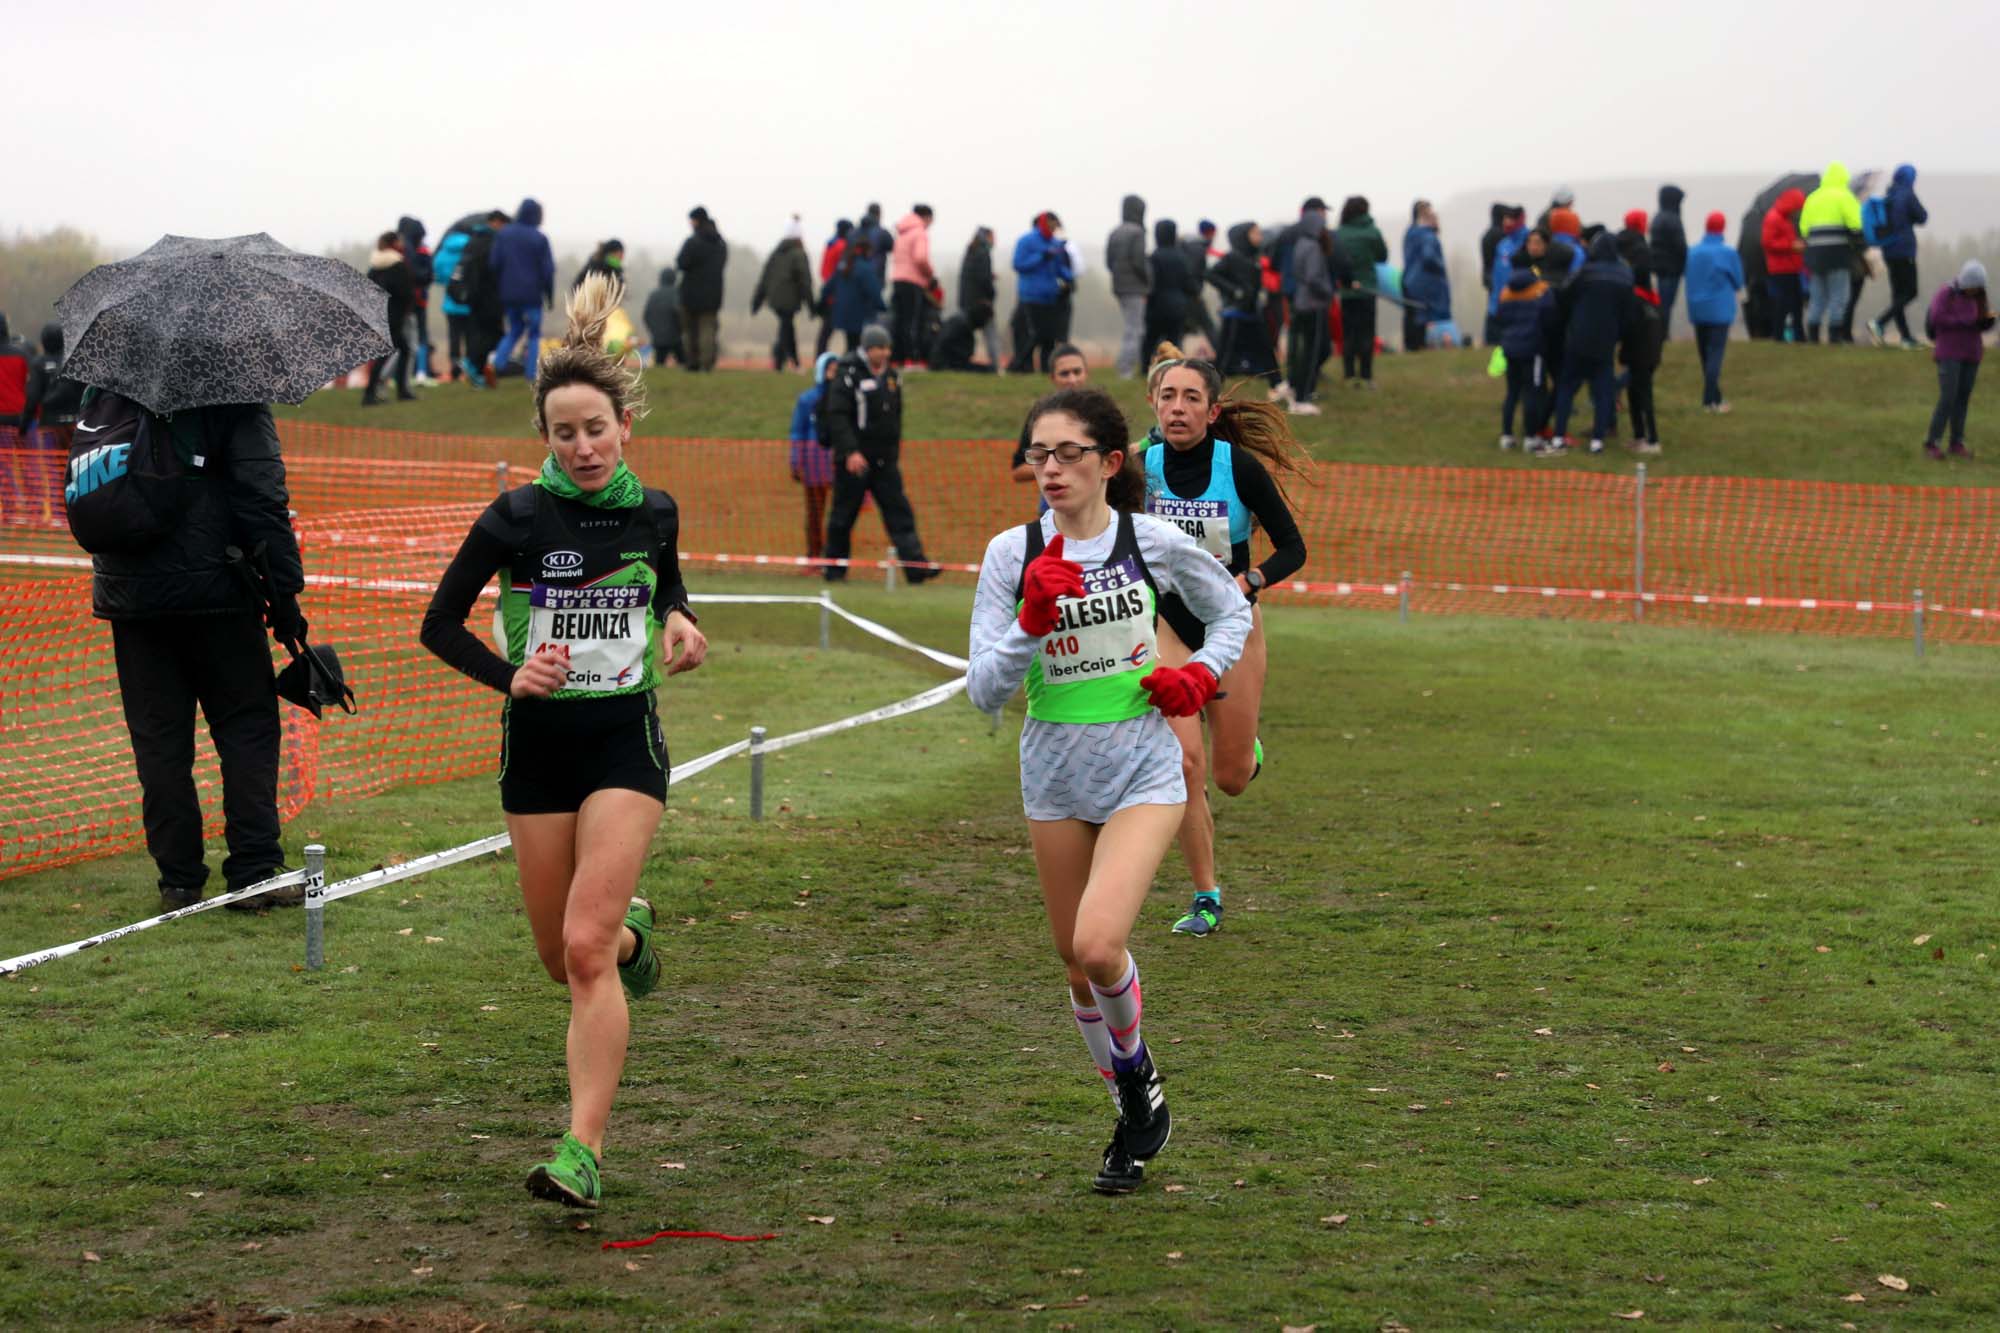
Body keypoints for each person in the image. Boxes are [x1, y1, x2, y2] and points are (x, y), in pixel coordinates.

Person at [419, 274, 707, 1209]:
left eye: (596, 428)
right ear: (542, 437)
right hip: (537, 753)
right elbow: (437, 625)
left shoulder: (653, 511)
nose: (582, 446)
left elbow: (665, 585)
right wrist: (513, 677)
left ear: (626, 423)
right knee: (568, 956)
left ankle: (580, 1151)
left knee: (580, 948)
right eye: (563, 432)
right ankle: (634, 939)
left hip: (627, 744)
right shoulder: (514, 518)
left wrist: (680, 622)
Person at [966, 385, 1251, 1193]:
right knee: (1073, 965)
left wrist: (1198, 672)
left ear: (1110, 462)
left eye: (1067, 454)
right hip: (1053, 772)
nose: (1050, 468)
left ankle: (1136, 1085)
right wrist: (1029, 621)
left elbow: (1231, 613)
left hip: (1142, 769)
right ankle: (1134, 1108)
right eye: (1038, 454)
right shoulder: (1009, 554)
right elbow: (983, 691)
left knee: (1099, 945)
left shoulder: (1149, 540)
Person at [80, 378, 305, 910]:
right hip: (219, 589)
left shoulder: (107, 387)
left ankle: (178, 880)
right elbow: (262, 497)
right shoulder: (234, 386)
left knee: (159, 740)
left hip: (131, 595)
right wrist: (286, 596)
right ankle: (253, 871)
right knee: (247, 727)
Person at [1139, 348, 1308, 938]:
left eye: (1191, 399)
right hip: (1167, 625)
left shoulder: (1238, 468)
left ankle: (1246, 747)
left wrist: (1249, 579)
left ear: (1212, 412)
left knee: (1230, 777)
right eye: (1168, 397)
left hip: (1232, 626)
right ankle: (1205, 896)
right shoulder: (1141, 467)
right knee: (1185, 762)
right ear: (1154, 406)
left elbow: (1293, 547)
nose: (1177, 408)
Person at [820, 325, 938, 583]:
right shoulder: (848, 374)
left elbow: (895, 417)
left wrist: (894, 452)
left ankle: (916, 568)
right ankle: (834, 569)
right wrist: (850, 451)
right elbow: (838, 417)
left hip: (885, 461)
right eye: (879, 348)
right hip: (854, 461)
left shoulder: (892, 377)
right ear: (867, 348)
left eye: (887, 348)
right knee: (843, 515)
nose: (884, 353)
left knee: (900, 513)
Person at [1545, 235, 1638, 456]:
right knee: (1603, 391)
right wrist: (1619, 334)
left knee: (1567, 388)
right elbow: (1629, 312)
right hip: (1606, 341)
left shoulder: (1586, 272)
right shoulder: (1625, 275)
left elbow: (1563, 294)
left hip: (1578, 337)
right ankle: (1598, 440)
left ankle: (1559, 436)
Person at [1922, 261, 1994, 460]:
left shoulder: (1979, 297)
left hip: (1972, 354)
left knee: (1962, 399)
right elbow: (1937, 318)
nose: (1975, 291)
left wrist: (1987, 321)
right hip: (1949, 353)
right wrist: (1964, 321)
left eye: (1979, 287)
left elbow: (1979, 322)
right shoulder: (1947, 292)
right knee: (1948, 398)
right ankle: (1932, 443)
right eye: (1973, 286)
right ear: (1965, 282)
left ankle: (1957, 442)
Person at [1684, 212, 1744, 413]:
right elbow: (1738, 281)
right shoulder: (1727, 253)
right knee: (1715, 354)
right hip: (1719, 309)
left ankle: (1715, 396)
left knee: (1704, 355)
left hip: (1697, 308)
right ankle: (1710, 401)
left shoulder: (1692, 252)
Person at [1209, 223, 1281, 389]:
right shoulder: (1232, 257)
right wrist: (1234, 291)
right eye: (1255, 233)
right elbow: (1211, 274)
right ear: (1243, 236)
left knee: (1266, 348)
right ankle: (1212, 388)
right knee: (1225, 353)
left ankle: (1277, 384)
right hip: (1235, 312)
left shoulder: (1255, 257)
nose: (1259, 237)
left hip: (1253, 311)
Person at [490, 198, 556, 379]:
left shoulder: (504, 235)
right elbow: (548, 270)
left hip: (509, 294)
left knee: (514, 330)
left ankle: (497, 364)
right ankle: (532, 373)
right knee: (534, 334)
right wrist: (549, 296)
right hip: (532, 295)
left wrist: (500, 287)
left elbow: (494, 263)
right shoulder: (539, 238)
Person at [1801, 162, 1863, 343]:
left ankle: (1813, 336)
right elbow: (1856, 224)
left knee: (1817, 296)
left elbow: (1804, 229)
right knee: (1839, 295)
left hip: (1814, 254)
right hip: (1838, 253)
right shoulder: (1845, 196)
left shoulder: (1813, 197)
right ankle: (1834, 336)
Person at [1495, 268, 1556, 448]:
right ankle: (1531, 436)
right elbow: (1550, 318)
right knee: (1532, 392)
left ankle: (1507, 435)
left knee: (1512, 392)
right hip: (1532, 349)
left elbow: (1499, 318)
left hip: (1510, 348)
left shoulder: (1506, 293)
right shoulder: (1541, 291)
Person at [1012, 344, 1090, 486]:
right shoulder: (1041, 415)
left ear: (1086, 373)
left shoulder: (1101, 412)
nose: (1072, 379)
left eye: (1077, 372)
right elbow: (1018, 471)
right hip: (1054, 501)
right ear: (1052, 378)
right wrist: (1057, 462)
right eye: (1064, 374)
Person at [1869, 165, 1929, 348]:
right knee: (1911, 292)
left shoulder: (1890, 195)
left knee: (1898, 296)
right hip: (1904, 251)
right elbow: (1923, 217)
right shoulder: (1907, 195)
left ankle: (1906, 338)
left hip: (1889, 251)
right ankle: (1879, 323)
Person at [788, 352, 840, 558]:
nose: (834, 375)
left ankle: (835, 556)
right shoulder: (807, 400)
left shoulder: (845, 399)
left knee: (839, 513)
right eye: (831, 370)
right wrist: (795, 459)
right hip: (814, 461)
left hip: (839, 461)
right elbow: (797, 431)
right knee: (815, 513)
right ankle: (815, 554)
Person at [1285, 210, 1336, 414]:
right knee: (1313, 351)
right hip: (1313, 304)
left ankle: (1297, 388)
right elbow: (1314, 277)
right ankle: (1302, 397)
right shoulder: (1314, 247)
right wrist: (1328, 291)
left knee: (1304, 350)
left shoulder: (1300, 245)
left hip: (1301, 302)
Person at [1335, 197, 1388, 388]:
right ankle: (1366, 376)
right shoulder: (1372, 232)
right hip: (1367, 289)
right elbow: (1382, 256)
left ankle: (1349, 375)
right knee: (1367, 334)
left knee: (1349, 334)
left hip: (1347, 291)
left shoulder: (1339, 233)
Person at [1013, 212, 1072, 373]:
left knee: (1049, 338)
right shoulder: (1026, 241)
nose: (1054, 227)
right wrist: (1042, 256)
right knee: (1036, 334)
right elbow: (1019, 264)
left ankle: (1046, 369)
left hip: (1051, 297)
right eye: (1052, 224)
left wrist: (1069, 278)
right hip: (1031, 296)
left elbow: (1060, 268)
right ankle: (1020, 365)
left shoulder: (1055, 243)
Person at [752, 219, 815, 371]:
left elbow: (765, 278)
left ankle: (786, 361)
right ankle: (786, 362)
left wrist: (757, 301)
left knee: (786, 328)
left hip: (775, 299)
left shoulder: (776, 253)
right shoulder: (799, 255)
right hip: (789, 299)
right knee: (786, 329)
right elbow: (805, 281)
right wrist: (811, 305)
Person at [364, 232, 418, 406]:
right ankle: (371, 394)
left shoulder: (374, 266)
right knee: (391, 352)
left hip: (379, 315)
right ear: (393, 243)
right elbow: (406, 292)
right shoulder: (398, 264)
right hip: (395, 316)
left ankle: (399, 390)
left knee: (402, 349)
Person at [676, 207, 728, 372]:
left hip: (691, 293)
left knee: (690, 331)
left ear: (696, 220)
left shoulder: (692, 242)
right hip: (713, 294)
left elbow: (681, 263)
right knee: (708, 329)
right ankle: (707, 363)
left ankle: (692, 363)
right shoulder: (720, 244)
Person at [461, 210, 509, 386]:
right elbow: (494, 270)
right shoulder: (492, 242)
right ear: (496, 222)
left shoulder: (473, 240)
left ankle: (477, 371)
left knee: (480, 333)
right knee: (494, 334)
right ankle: (473, 365)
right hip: (489, 295)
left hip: (472, 296)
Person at [1144, 219, 1198, 371]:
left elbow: (1150, 282)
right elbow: (1189, 283)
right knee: (1175, 340)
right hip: (1178, 305)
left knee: (1151, 339)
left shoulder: (1154, 256)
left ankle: (1145, 368)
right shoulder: (1182, 257)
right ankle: (1175, 368)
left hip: (1157, 305)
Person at [1107, 195, 1151, 376]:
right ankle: (1125, 369)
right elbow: (1139, 262)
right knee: (1135, 329)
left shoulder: (1115, 232)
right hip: (1135, 287)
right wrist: (1147, 283)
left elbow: (1108, 261)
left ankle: (1128, 365)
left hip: (1119, 286)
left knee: (1130, 327)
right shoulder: (1137, 232)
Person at [889, 205, 936, 366]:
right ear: (926, 217)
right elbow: (921, 258)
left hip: (897, 280)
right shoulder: (919, 233)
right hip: (913, 282)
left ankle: (896, 358)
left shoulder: (902, 233)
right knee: (912, 322)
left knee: (899, 320)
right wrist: (930, 275)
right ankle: (912, 359)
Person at [1401, 201, 1450, 351]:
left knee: (1411, 314)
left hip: (1408, 278)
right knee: (1421, 315)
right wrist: (1441, 267)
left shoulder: (1410, 233)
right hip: (1423, 281)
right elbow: (1429, 257)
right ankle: (1419, 345)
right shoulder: (1427, 235)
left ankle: (1411, 346)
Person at [433, 219, 477, 384]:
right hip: (469, 302)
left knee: (454, 337)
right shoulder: (470, 249)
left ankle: (455, 368)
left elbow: (437, 276)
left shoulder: (443, 252)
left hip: (450, 302)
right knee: (470, 336)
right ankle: (471, 368)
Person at [1761, 189, 1808, 343]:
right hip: (1780, 269)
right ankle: (1779, 335)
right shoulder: (1774, 218)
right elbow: (1768, 243)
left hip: (1791, 267)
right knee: (1783, 303)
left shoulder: (1784, 218)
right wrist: (1791, 246)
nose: (1798, 211)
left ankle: (1797, 335)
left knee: (1796, 303)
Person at [1623, 283, 1664, 454]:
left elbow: (1629, 329)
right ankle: (1639, 435)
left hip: (1640, 356)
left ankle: (1652, 439)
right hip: (1649, 355)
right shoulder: (1651, 302)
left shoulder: (1634, 301)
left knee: (1644, 396)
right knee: (1634, 393)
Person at [828, 238, 884, 352]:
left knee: (851, 343)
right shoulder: (866, 268)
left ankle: (848, 365)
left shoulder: (843, 266)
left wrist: (821, 305)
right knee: (857, 346)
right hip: (859, 314)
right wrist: (882, 307)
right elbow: (874, 291)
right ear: (867, 251)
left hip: (842, 312)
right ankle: (852, 366)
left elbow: (829, 286)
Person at [959, 226, 1002, 370]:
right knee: (991, 334)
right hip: (982, 303)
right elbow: (984, 280)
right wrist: (991, 295)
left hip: (967, 301)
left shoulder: (970, 252)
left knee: (966, 333)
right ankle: (995, 365)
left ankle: (962, 361)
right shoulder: (984, 253)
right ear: (987, 237)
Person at [1649, 186, 1688, 336]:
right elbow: (1680, 246)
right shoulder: (1673, 219)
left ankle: (1662, 333)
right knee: (1666, 303)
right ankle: (1663, 333)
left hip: (1661, 267)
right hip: (1671, 268)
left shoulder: (1658, 217)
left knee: (1664, 302)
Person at [814, 220, 854, 359]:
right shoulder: (842, 247)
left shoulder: (829, 245)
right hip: (838, 295)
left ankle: (819, 358)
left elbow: (823, 271)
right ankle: (849, 358)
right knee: (850, 331)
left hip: (828, 292)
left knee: (825, 333)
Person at [1181, 221, 1221, 349]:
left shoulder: (1191, 246)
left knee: (1180, 329)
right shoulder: (1198, 249)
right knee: (1208, 326)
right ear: (1210, 232)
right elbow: (1192, 272)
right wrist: (1196, 292)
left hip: (1183, 294)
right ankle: (1222, 357)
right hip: (1191, 295)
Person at [929, 302, 994, 372]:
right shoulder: (963, 324)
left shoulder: (964, 320)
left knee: (987, 368)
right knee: (987, 369)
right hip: (945, 363)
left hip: (944, 362)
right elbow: (946, 343)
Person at [642, 269, 684, 368]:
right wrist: (681, 330)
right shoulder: (678, 293)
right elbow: (681, 315)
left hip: (658, 338)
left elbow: (646, 315)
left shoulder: (653, 295)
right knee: (683, 363)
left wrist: (654, 331)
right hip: (676, 338)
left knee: (659, 364)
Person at [1615, 209, 1655, 292]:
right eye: (1645, 221)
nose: (1648, 224)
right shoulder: (1641, 248)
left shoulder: (1616, 240)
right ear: (1640, 223)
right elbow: (1643, 277)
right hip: (1637, 296)